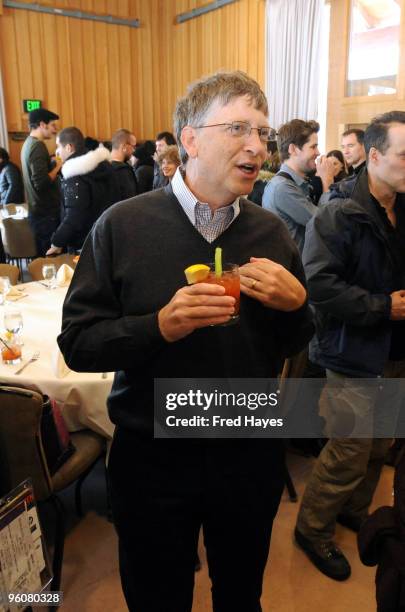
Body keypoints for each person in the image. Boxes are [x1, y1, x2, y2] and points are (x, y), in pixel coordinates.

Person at [58, 70, 313, 612]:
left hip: (248, 448)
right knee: (156, 596)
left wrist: (297, 306)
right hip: (154, 456)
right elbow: (79, 342)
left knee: (242, 594)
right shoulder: (122, 225)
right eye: (239, 127)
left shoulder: (271, 231)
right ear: (190, 138)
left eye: (263, 133)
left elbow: (290, 343)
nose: (256, 146)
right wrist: (158, 327)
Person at [295, 111, 405, 582]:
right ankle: (312, 528)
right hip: (352, 349)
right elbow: (319, 285)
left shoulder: (401, 204)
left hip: (395, 351)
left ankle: (352, 510)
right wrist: (382, 307)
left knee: (381, 445)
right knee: (349, 449)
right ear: (375, 156)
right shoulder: (339, 210)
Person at [262, 119, 334, 254]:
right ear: (293, 149)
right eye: (313, 147)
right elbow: (325, 224)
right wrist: (328, 181)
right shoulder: (282, 188)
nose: (318, 152)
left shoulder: (293, 184)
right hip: (295, 272)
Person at [46, 127, 117, 255]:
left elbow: (75, 215)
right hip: (106, 237)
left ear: (69, 147)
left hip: (83, 244)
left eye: (58, 146)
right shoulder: (103, 166)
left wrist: (57, 241)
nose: (57, 151)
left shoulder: (74, 174)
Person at [20, 108, 61, 256]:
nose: (55, 129)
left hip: (39, 213)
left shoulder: (28, 144)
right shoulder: (37, 145)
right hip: (45, 215)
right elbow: (41, 182)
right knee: (51, 261)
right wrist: (58, 166)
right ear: (42, 124)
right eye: (53, 125)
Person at [110, 129, 138, 201]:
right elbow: (131, 200)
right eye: (133, 146)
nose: (134, 150)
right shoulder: (124, 172)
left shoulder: (102, 167)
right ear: (124, 147)